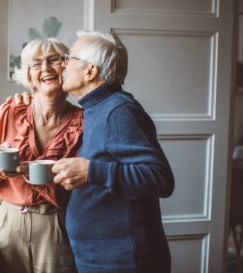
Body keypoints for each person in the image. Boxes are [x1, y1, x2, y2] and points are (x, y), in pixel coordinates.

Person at [50, 31, 175, 273]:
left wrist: (91, 171)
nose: (62, 64)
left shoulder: (119, 111)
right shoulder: (96, 108)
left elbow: (160, 179)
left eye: (69, 58)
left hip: (123, 262)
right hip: (101, 258)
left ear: (90, 71)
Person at [0, 38, 83, 273]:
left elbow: (87, 183)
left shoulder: (83, 121)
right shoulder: (10, 111)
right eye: (36, 64)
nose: (45, 69)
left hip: (57, 223)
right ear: (29, 76)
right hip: (8, 222)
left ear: (66, 67)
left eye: (54, 60)